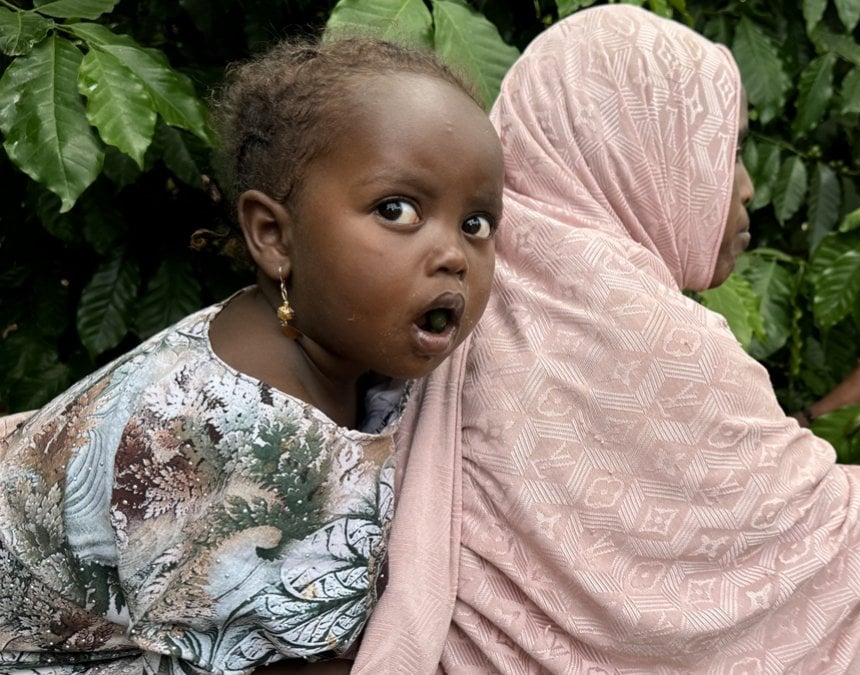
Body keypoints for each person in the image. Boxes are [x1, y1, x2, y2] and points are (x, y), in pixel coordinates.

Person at [349, 5, 860, 674]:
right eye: (726, 149)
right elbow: (855, 553)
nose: (746, 186)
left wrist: (821, 413)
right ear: (642, 149)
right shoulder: (659, 341)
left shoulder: (465, 293)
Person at [0, 36, 503, 674]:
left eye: (476, 223)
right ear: (274, 236)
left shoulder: (331, 346)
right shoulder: (225, 433)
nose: (454, 255)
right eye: (396, 210)